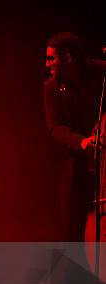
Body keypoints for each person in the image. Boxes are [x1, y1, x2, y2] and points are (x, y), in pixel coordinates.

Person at [44, 32, 102, 241]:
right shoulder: (51, 86)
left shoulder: (99, 72)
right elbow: (55, 127)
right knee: (69, 226)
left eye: (52, 58)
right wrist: (82, 141)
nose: (47, 63)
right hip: (75, 161)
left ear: (68, 58)